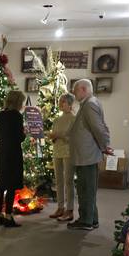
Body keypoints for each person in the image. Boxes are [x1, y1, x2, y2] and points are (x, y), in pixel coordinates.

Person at [67, 79, 112, 231]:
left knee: (85, 189)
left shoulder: (90, 104)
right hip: (86, 155)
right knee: (87, 188)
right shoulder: (90, 103)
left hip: (87, 156)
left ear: (84, 89)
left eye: (75, 90)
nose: (74, 93)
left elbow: (98, 128)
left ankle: (86, 221)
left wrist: (105, 146)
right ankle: (92, 219)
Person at [0, 90, 27, 228]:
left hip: (1, 151)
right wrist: (24, 133)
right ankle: (8, 216)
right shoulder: (17, 116)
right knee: (11, 185)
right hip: (13, 153)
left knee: (1, 184)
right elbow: (19, 137)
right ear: (18, 102)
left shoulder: (1, 115)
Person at [48, 93, 76, 222]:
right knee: (58, 180)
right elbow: (54, 136)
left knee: (68, 181)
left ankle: (69, 210)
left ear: (70, 104)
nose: (60, 104)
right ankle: (60, 207)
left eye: (63, 102)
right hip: (57, 151)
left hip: (69, 152)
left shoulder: (74, 119)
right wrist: (53, 136)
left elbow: (75, 138)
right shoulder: (57, 120)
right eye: (60, 101)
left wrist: (61, 135)